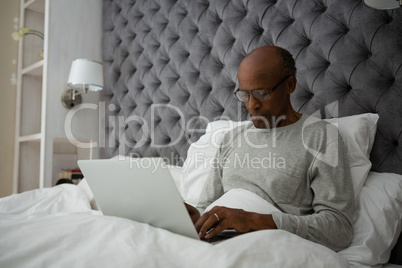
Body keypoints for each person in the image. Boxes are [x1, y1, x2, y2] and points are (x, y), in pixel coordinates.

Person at [185, 45, 354, 252]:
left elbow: (340, 229)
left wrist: (253, 220)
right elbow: (207, 205)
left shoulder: (320, 136)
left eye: (261, 93)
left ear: (290, 84)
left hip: (268, 249)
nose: (251, 105)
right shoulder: (231, 139)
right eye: (244, 95)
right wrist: (194, 216)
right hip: (214, 246)